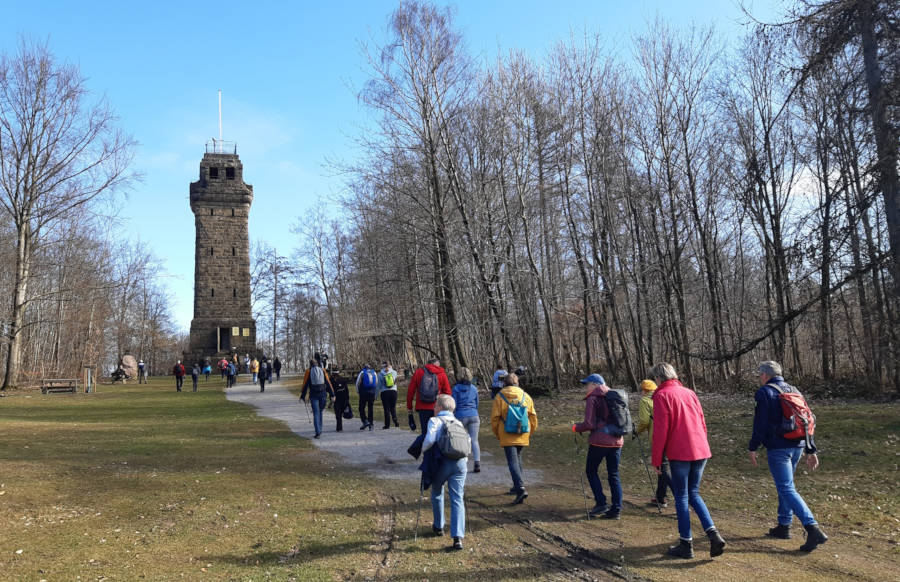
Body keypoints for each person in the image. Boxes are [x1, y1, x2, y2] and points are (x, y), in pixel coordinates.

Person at [749, 361, 827, 552]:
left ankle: (812, 528)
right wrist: (811, 449)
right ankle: (784, 525)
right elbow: (808, 419)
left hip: (778, 447)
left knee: (786, 488)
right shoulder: (794, 390)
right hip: (798, 445)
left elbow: (760, 423)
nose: (759, 378)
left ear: (766, 375)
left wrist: (753, 447)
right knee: (786, 486)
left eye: (760, 375)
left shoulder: (765, 392)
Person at [650, 362, 725, 559]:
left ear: (658, 378)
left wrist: (657, 459)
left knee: (682, 497)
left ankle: (686, 543)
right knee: (694, 493)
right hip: (700, 449)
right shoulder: (689, 392)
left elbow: (660, 431)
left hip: (681, 452)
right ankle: (713, 534)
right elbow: (702, 422)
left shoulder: (661, 395)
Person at [422, 394, 469, 551]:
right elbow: (467, 443)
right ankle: (457, 537)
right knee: (457, 498)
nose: (434, 408)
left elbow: (429, 440)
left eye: (435, 406)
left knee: (437, 491)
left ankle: (439, 525)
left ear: (440, 407)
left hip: (443, 462)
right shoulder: (458, 423)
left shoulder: (435, 421)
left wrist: (424, 453)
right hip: (460, 463)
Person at [572, 373, 624, 519]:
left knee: (591, 470)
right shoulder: (615, 395)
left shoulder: (593, 398)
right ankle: (616, 509)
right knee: (613, 474)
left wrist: (576, 428)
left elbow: (589, 424)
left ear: (595, 384)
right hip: (617, 440)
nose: (585, 388)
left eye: (587, 384)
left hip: (599, 441)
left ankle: (601, 503)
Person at [491, 372, 538, 504]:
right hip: (522, 433)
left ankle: (520, 488)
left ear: (504, 383)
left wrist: (497, 433)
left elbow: (494, 419)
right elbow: (533, 417)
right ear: (517, 383)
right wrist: (529, 432)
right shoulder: (526, 396)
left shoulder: (499, 397)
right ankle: (516, 486)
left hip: (506, 433)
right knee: (517, 459)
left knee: (512, 461)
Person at [635, 379, 668, 507]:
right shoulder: (662, 396)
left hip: (656, 437)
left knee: (661, 468)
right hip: (669, 436)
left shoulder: (645, 401)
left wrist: (636, 432)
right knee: (664, 467)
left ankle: (665, 497)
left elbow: (644, 421)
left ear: (644, 390)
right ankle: (660, 496)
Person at [407, 357, 453, 435]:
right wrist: (448, 408)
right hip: (438, 407)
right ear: (437, 364)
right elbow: (448, 393)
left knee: (425, 433)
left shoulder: (418, 373)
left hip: (422, 407)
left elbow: (410, 392)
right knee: (438, 432)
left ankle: (426, 446)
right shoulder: (441, 374)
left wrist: (410, 408)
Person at [451, 367, 481, 473]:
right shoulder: (474, 388)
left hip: (460, 415)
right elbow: (477, 403)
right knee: (474, 440)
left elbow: (453, 404)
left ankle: (461, 462)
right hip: (474, 415)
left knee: (461, 440)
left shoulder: (456, 389)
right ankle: (477, 462)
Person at [302, 359, 335, 438]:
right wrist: (332, 394)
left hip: (313, 395)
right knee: (320, 412)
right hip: (323, 394)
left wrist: (303, 396)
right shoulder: (322, 370)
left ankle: (318, 431)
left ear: (310, 364)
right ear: (317, 364)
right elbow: (327, 382)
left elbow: (305, 385)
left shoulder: (308, 372)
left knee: (316, 413)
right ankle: (319, 428)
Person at [377, 362, 400, 429]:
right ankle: (395, 421)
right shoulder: (394, 372)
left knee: (386, 409)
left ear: (382, 367)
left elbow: (379, 385)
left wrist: (375, 395)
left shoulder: (380, 374)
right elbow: (395, 381)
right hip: (393, 392)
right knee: (393, 408)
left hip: (384, 393)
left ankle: (387, 425)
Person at [356, 364, 378, 430]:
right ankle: (371, 424)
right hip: (372, 393)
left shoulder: (362, 373)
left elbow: (358, 383)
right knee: (370, 408)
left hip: (363, 393)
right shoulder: (374, 372)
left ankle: (365, 421)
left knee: (361, 408)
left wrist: (358, 391)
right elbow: (376, 382)